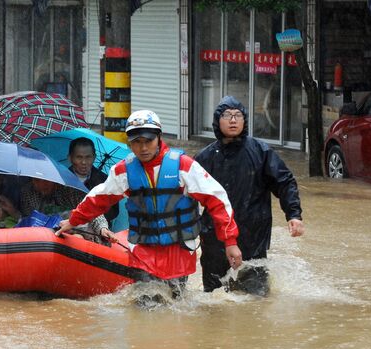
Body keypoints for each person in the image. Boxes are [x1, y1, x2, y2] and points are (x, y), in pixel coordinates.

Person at [56, 109, 242, 298]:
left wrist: (230, 242)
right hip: (143, 252)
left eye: (148, 141)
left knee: (176, 309)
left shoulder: (183, 166)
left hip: (178, 251)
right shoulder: (124, 171)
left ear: (159, 138)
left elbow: (217, 200)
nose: (143, 148)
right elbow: (98, 198)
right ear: (130, 143)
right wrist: (73, 221)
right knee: (145, 306)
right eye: (136, 142)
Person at [195, 96, 304, 296]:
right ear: (217, 121)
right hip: (214, 242)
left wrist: (294, 214)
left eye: (238, 115)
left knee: (255, 302)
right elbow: (188, 197)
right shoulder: (205, 158)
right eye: (227, 115)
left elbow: (285, 182)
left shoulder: (261, 152)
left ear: (245, 121)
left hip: (253, 240)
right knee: (214, 302)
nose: (233, 120)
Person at [21, 177, 111, 242]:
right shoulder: (28, 194)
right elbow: (27, 219)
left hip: (77, 230)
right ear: (32, 180)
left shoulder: (70, 190)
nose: (42, 184)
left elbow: (91, 208)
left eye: (46, 180)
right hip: (43, 235)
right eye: (37, 180)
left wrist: (102, 228)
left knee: (77, 238)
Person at [67, 137, 119, 224]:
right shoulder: (63, 179)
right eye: (79, 157)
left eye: (88, 157)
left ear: (94, 157)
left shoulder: (105, 181)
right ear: (70, 158)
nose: (84, 162)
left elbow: (113, 212)